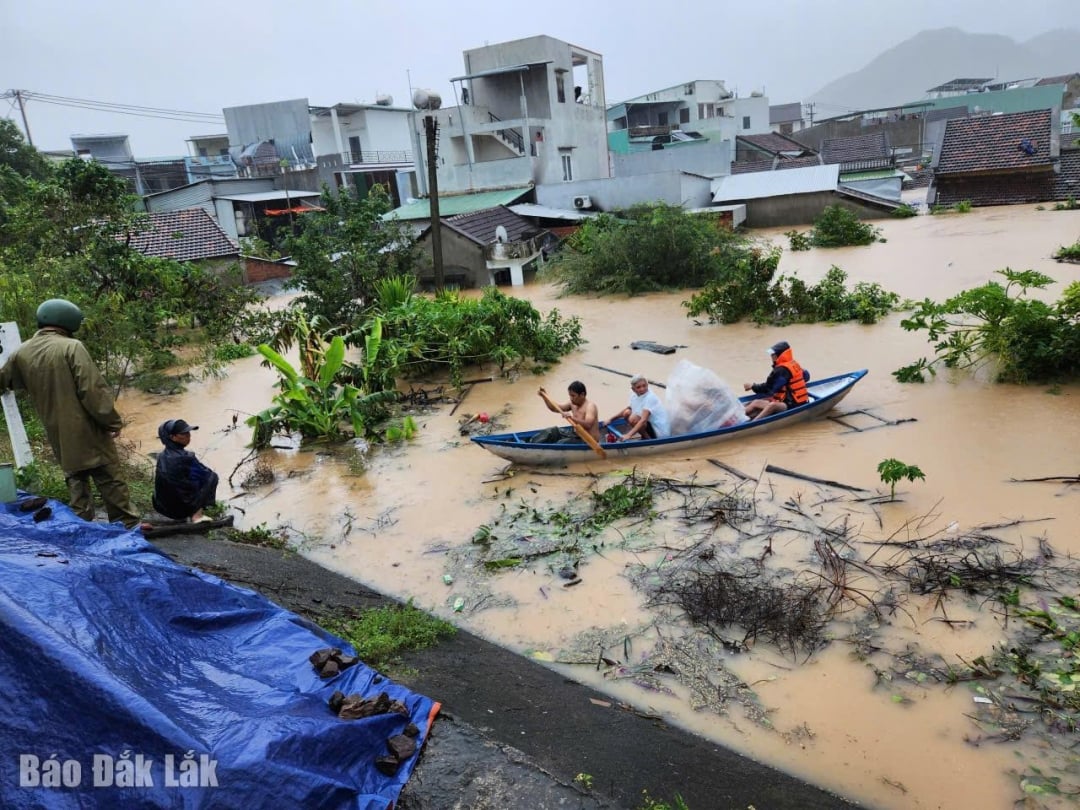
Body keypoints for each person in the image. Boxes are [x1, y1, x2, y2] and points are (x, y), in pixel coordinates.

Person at [0, 298, 140, 528]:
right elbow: (92, 389)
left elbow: (3, 380)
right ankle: (126, 527)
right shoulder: (72, 347)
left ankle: (81, 528)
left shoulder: (22, 352)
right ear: (68, 321)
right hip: (88, 428)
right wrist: (112, 422)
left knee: (76, 480)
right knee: (110, 480)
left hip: (58, 431)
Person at [152, 418, 220, 522]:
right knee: (212, 477)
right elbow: (206, 476)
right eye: (184, 433)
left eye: (188, 432)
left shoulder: (161, 456)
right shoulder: (186, 458)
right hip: (180, 511)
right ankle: (197, 515)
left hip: (160, 507)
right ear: (173, 437)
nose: (188, 435)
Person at [743, 340, 809, 421]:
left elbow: (768, 389)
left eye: (773, 354)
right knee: (755, 402)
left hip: (793, 404)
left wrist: (752, 386)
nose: (771, 356)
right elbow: (807, 377)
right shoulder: (794, 364)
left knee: (771, 405)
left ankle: (753, 423)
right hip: (798, 400)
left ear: (780, 355)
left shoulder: (781, 370)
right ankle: (740, 417)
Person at [530, 381, 601, 444]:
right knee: (551, 431)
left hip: (588, 440)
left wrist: (571, 418)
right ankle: (531, 445)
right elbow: (555, 408)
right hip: (575, 434)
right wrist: (545, 397)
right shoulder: (572, 404)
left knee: (561, 443)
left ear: (582, 395)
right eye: (570, 395)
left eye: (573, 396)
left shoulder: (590, 406)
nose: (571, 398)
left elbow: (588, 425)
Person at [608, 374, 671, 441]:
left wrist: (628, 435)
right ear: (633, 389)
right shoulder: (633, 395)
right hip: (649, 424)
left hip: (659, 430)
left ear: (647, 385)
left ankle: (648, 440)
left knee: (633, 418)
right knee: (627, 413)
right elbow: (628, 409)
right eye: (638, 387)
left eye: (644, 386)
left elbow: (643, 420)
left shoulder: (650, 397)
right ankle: (645, 436)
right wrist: (610, 419)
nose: (642, 389)